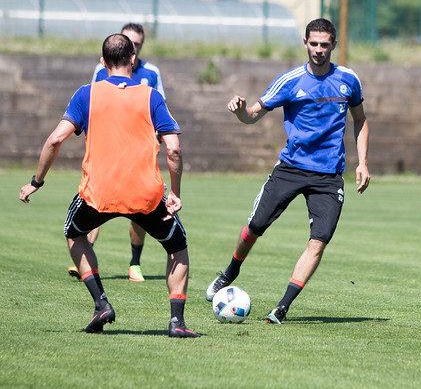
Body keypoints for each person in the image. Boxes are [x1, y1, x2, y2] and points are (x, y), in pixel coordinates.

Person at [19, 34, 199, 338]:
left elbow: (55, 139)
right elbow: (174, 149)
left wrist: (37, 181)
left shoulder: (86, 94)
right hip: (146, 195)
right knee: (178, 248)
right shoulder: (150, 95)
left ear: (103, 63)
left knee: (74, 233)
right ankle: (177, 323)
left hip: (97, 194)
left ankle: (101, 302)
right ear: (133, 59)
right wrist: (175, 193)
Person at [205, 18, 371, 324]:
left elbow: (360, 119)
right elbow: (254, 114)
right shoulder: (291, 80)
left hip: (329, 176)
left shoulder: (349, 80)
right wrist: (241, 111)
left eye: (325, 44)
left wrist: (362, 162)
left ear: (334, 45)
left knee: (318, 242)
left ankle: (281, 308)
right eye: (314, 44)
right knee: (255, 227)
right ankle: (230, 271)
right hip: (291, 168)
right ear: (305, 43)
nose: (319, 50)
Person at [68, 22, 167, 283]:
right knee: (98, 200)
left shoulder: (151, 73)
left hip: (139, 154)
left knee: (140, 208)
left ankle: (135, 263)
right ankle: (85, 259)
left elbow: (160, 109)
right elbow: (91, 106)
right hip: (107, 151)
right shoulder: (101, 72)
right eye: (129, 42)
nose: (133, 47)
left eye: (138, 43)